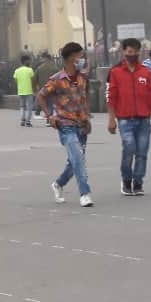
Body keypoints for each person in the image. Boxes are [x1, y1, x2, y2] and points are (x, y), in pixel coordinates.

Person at [39, 43, 94, 208]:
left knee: (75, 161)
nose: (82, 60)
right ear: (71, 57)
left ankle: (58, 184)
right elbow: (41, 96)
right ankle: (85, 193)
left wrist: (87, 117)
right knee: (77, 157)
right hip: (65, 123)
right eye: (80, 56)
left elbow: (85, 97)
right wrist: (50, 116)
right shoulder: (56, 80)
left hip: (81, 124)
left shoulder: (83, 78)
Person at [106, 37, 151, 196]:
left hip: (144, 118)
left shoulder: (145, 72)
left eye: (136, 52)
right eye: (130, 52)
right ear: (124, 52)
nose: (133, 54)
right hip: (125, 119)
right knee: (129, 147)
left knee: (142, 152)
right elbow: (111, 96)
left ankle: (138, 182)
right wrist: (111, 119)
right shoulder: (115, 72)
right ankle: (126, 179)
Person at [14, 55, 36, 126]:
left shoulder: (17, 70)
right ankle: (28, 121)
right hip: (29, 90)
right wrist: (34, 89)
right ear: (26, 61)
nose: (30, 62)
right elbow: (33, 80)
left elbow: (16, 80)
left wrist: (20, 85)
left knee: (22, 106)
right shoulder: (30, 70)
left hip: (21, 90)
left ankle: (22, 120)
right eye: (29, 60)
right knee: (29, 107)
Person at [34, 52, 57, 119]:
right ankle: (49, 120)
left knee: (43, 103)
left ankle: (44, 115)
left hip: (42, 88)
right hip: (52, 88)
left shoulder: (39, 68)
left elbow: (35, 79)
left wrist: (35, 88)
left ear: (45, 58)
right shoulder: (55, 68)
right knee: (50, 104)